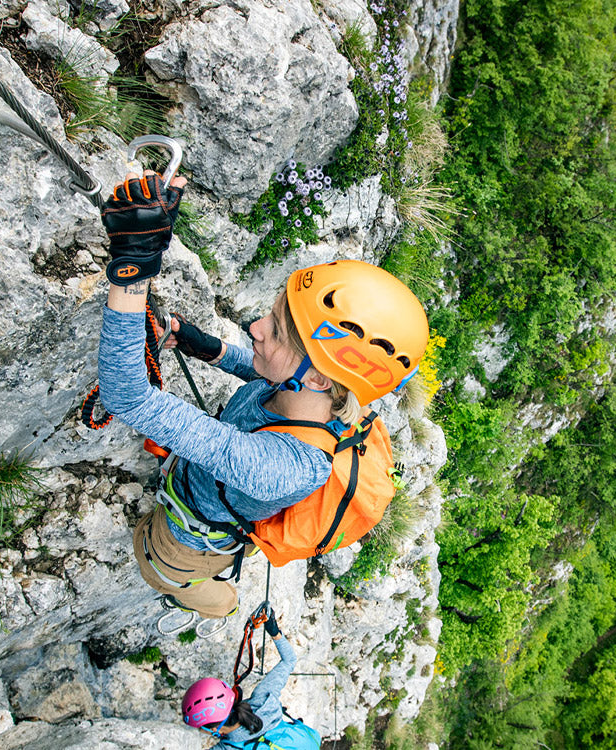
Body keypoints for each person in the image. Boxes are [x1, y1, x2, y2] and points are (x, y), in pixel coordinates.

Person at [97, 170, 428, 621]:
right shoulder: (313, 395)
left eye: (273, 331)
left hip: (181, 550)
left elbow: (127, 396)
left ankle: (217, 604)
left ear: (317, 380)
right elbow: (260, 373)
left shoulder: (281, 469)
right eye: (270, 317)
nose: (255, 328)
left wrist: (133, 269)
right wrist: (199, 343)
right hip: (201, 493)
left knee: (157, 561)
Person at [181, 608, 300, 746]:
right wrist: (273, 631)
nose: (201, 730)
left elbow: (289, 660)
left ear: (214, 730)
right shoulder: (263, 701)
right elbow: (289, 660)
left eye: (201, 728)